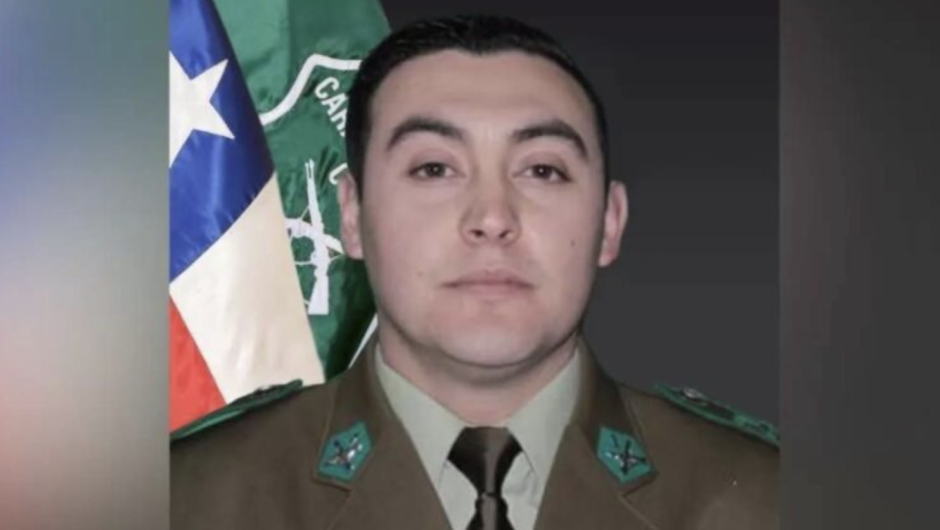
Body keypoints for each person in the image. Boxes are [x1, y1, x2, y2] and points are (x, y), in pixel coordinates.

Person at [171, 14, 778, 530]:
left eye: (542, 170)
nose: (492, 218)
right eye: (434, 169)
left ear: (609, 222)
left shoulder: (767, 496)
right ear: (351, 215)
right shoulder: (189, 499)